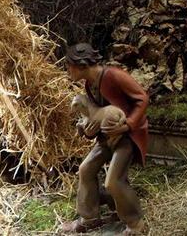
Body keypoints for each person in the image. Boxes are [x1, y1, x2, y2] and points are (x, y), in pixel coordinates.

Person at [62, 43, 149, 235]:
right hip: (107, 137)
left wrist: (128, 125)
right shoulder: (89, 85)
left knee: (113, 180)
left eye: (70, 66)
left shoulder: (113, 75)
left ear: (82, 65)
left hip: (126, 137)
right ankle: (89, 217)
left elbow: (142, 98)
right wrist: (88, 130)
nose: (68, 70)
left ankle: (135, 223)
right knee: (86, 169)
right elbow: (95, 115)